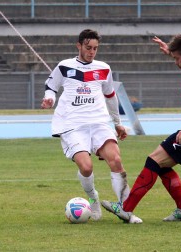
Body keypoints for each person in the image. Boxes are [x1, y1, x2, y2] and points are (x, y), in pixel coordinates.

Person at [102, 34, 181, 223]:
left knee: (154, 160)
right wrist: (171, 51)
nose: (175, 62)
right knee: (161, 165)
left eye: (176, 59)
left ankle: (126, 209)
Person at [41, 29, 138, 222]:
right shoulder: (64, 66)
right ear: (78, 45)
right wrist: (49, 99)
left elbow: (110, 95)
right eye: (88, 47)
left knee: (116, 161)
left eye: (95, 48)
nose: (92, 51)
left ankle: (126, 210)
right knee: (86, 167)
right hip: (73, 125)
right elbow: (51, 87)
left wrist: (118, 124)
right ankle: (93, 198)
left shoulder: (104, 68)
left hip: (99, 122)